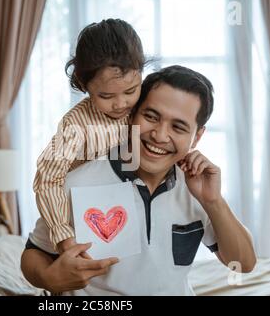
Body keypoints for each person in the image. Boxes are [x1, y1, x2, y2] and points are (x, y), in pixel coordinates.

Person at [22, 65, 257, 295]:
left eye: (178, 127)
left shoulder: (197, 187)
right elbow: (35, 252)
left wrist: (213, 201)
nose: (159, 135)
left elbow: (243, 263)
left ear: (197, 137)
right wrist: (49, 278)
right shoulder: (77, 181)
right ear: (132, 114)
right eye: (151, 116)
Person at [33, 18, 146, 254]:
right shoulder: (75, 125)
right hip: (85, 218)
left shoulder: (146, 107)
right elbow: (47, 178)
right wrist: (63, 234)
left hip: (131, 217)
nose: (120, 103)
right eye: (106, 96)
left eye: (130, 91)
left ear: (141, 74)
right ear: (85, 85)